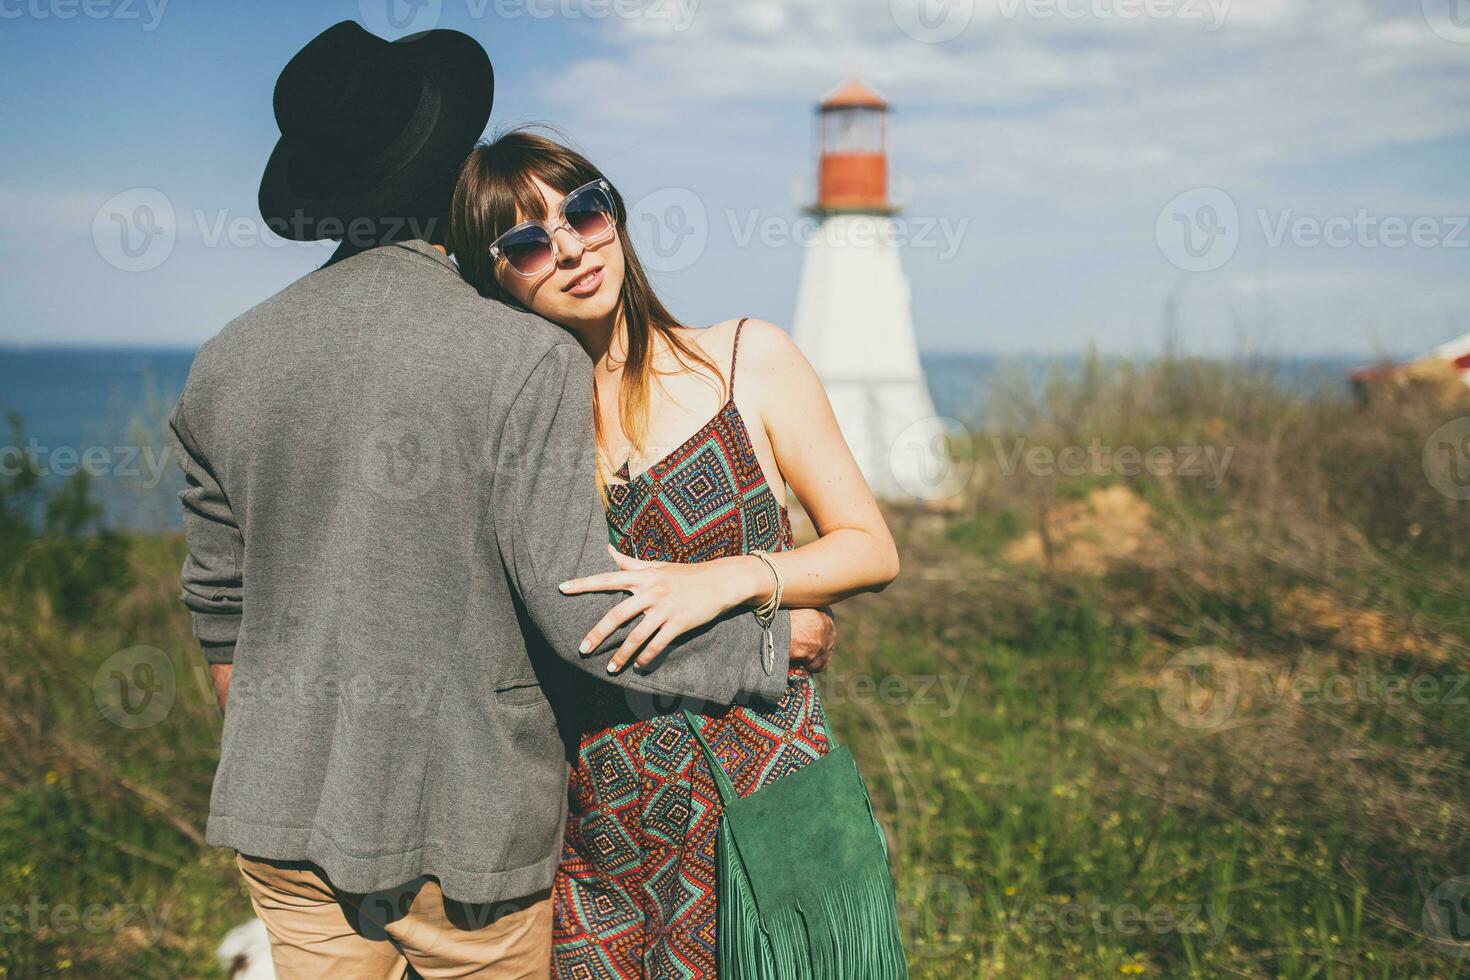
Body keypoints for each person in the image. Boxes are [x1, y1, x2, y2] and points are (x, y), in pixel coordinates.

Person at [167, 22, 834, 980]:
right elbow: (577, 612)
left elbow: (220, 613)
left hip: (280, 820)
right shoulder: (518, 357)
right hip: (465, 834)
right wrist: (772, 643)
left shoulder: (225, 365)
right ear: (450, 177)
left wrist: (293, 746)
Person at [450, 128, 900, 978]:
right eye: (528, 241)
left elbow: (870, 548)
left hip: (771, 804)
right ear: (494, 275)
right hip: (603, 841)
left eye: (585, 210)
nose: (574, 248)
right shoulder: (517, 444)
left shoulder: (744, 359)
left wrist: (736, 577)